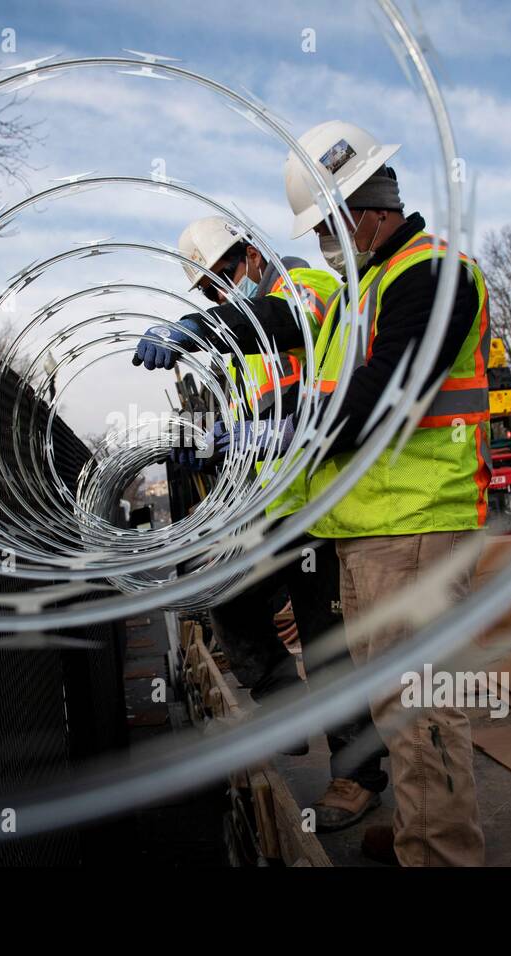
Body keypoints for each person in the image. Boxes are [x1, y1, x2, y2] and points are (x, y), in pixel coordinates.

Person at [155, 122, 491, 866]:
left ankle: (441, 852)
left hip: (416, 529)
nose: (326, 243)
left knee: (423, 710)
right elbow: (279, 322)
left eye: (329, 227)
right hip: (373, 532)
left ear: (362, 212)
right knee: (394, 707)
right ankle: (419, 838)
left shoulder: (433, 276)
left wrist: (283, 434)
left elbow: (382, 396)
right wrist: (201, 332)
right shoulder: (362, 289)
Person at [139, 216, 389, 832]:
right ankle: (286, 700)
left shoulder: (303, 290)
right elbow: (255, 412)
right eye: (207, 293)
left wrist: (196, 329)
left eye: (225, 276)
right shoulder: (241, 335)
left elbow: (276, 328)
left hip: (327, 505)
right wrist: (217, 445)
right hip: (275, 506)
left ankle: (358, 777)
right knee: (222, 594)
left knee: (326, 640)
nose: (221, 295)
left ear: (251, 255)